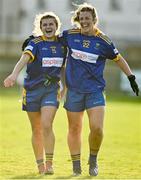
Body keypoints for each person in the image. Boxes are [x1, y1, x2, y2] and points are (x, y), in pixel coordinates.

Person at [59, 3, 139, 176]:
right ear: (78, 20)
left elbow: (118, 59)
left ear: (94, 20)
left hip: (95, 90)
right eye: (82, 19)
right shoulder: (69, 35)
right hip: (73, 91)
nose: (85, 21)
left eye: (88, 18)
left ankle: (93, 160)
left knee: (97, 128)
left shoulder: (103, 41)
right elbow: (50, 38)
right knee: (74, 129)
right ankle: (76, 166)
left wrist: (131, 77)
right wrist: (33, 40)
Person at [4, 12, 66, 175]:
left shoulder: (62, 45)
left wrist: (65, 87)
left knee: (46, 124)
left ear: (56, 26)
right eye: (44, 24)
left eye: (51, 24)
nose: (48, 27)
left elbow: (64, 68)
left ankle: (50, 164)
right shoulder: (35, 43)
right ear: (40, 27)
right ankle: (40, 165)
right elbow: (23, 59)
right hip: (31, 91)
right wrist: (14, 74)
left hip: (51, 91)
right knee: (36, 129)